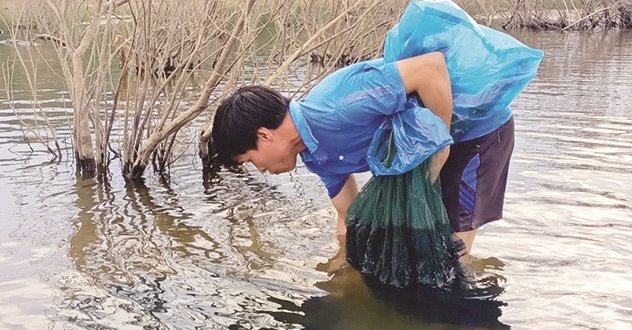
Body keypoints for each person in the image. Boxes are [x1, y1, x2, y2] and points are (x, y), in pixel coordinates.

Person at [209, 50, 516, 255]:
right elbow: (347, 214)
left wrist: (440, 148)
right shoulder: (316, 156)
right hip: (431, 145)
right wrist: (342, 267)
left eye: (251, 161)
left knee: (453, 250)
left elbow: (430, 68)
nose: (261, 170)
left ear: (263, 136)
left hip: (475, 130)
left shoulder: (338, 103)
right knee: (424, 247)